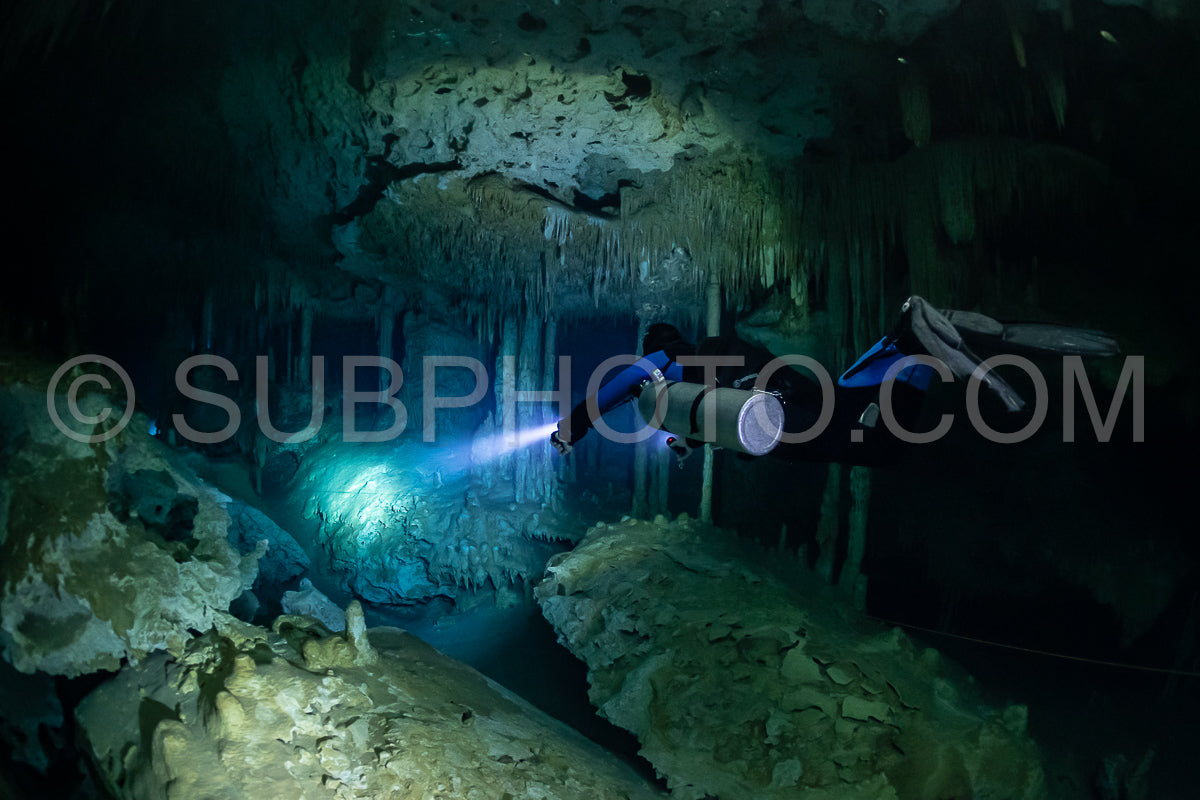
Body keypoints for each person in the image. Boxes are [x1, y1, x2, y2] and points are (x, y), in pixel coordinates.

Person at [550, 296, 1119, 466]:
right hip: (789, 392)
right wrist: (688, 440)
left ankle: (908, 339)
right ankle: (907, 346)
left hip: (770, 413)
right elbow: (709, 422)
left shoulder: (662, 362)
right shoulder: (703, 357)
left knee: (859, 439)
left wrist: (569, 431)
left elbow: (612, 389)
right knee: (877, 440)